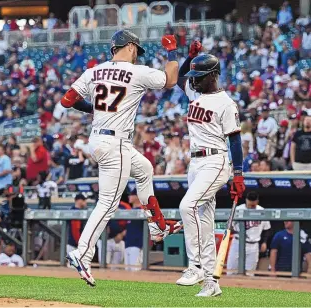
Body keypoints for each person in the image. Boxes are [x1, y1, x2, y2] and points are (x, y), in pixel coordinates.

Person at [63, 30, 182, 286]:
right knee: (107, 203)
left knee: (145, 169)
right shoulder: (136, 72)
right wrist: (172, 50)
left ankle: (156, 226)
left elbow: (67, 100)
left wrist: (94, 109)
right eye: (137, 50)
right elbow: (171, 79)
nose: (138, 55)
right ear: (129, 46)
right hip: (115, 142)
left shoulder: (95, 70)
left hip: (99, 139)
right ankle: (82, 253)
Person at [175, 42, 245, 297]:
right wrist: (190, 57)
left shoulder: (226, 103)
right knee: (204, 224)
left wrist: (238, 173)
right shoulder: (195, 93)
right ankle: (211, 284)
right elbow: (179, 78)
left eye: (200, 77)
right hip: (195, 164)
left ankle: (193, 266)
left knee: (187, 206)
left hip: (215, 161)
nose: (194, 82)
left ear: (214, 76)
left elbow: (235, 139)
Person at [226, 192, 271, 275]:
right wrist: (237, 231)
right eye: (249, 205)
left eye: (253, 205)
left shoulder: (261, 211)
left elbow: (267, 229)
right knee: (231, 270)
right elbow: (229, 227)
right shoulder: (239, 209)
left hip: (253, 245)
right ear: (246, 200)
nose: (251, 207)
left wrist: (264, 242)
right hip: (238, 243)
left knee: (250, 273)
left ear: (257, 201)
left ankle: (244, 287)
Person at [124, 190, 144, 271]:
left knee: (136, 272)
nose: (129, 197)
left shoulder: (143, 210)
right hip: (128, 244)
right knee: (127, 272)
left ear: (137, 196)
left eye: (131, 195)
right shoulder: (130, 211)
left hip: (137, 245)